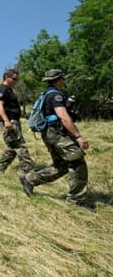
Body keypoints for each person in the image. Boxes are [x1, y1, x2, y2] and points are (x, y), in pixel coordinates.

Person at [19, 69, 93, 211]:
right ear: (58, 80)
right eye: (62, 79)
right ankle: (75, 201)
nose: (64, 81)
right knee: (77, 163)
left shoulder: (46, 94)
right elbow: (63, 117)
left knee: (61, 166)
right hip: (58, 134)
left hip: (49, 134)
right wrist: (78, 136)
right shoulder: (56, 96)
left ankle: (30, 179)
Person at [0, 69, 34, 173]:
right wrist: (6, 121)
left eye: (17, 79)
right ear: (7, 78)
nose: (16, 81)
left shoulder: (9, 90)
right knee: (20, 146)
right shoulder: (3, 89)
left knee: (12, 148)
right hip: (9, 122)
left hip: (13, 121)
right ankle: (28, 171)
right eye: (15, 79)